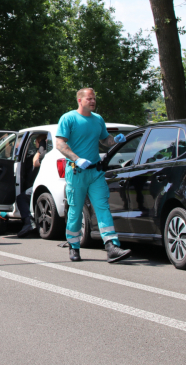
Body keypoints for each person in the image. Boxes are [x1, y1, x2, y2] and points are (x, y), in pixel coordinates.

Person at [56, 88, 132, 263]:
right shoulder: (68, 118)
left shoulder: (98, 120)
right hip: (77, 171)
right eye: (89, 98)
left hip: (95, 172)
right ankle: (74, 246)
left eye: (94, 98)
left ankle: (111, 246)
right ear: (79, 100)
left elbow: (104, 140)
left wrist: (115, 140)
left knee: (103, 207)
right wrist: (77, 158)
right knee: (75, 210)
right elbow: (60, 144)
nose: (93, 101)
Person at [14, 134, 46, 238]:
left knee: (21, 198)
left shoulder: (43, 154)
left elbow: (35, 163)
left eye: (37, 142)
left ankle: (29, 223)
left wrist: (39, 148)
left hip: (43, 185)